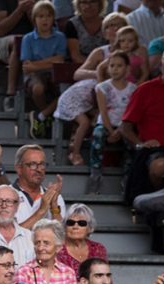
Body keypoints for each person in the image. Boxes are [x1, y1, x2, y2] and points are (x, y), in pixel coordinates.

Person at [54, 11, 127, 167]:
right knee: (85, 122)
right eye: (110, 26)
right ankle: (74, 152)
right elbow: (77, 73)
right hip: (82, 94)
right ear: (104, 31)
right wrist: (98, 73)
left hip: (105, 99)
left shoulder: (127, 56)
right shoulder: (101, 52)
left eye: (118, 26)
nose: (114, 30)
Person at [120, 44, 164, 205]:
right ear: (161, 64)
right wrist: (140, 144)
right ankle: (161, 204)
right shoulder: (145, 90)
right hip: (157, 150)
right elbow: (125, 128)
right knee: (159, 166)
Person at [85, 52, 136, 191]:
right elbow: (103, 111)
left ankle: (127, 177)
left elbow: (130, 113)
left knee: (131, 142)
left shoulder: (133, 89)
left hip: (124, 125)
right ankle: (95, 172)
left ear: (127, 68)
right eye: (112, 65)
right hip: (106, 124)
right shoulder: (102, 87)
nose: (115, 69)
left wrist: (120, 129)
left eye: (119, 66)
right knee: (98, 134)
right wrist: (111, 131)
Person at [14, 218, 77, 284]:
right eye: (37, 243)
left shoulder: (68, 273)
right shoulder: (24, 272)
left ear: (58, 247)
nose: (40, 248)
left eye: (46, 243)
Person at [22, 0, 67, 139]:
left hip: (55, 73)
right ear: (34, 19)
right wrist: (49, 62)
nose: (45, 20)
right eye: (40, 16)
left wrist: (36, 63)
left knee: (66, 91)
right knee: (38, 88)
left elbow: (60, 60)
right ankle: (46, 116)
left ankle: (40, 116)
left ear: (53, 18)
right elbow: (27, 67)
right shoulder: (28, 39)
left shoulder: (60, 37)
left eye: (48, 16)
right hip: (35, 74)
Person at [0, 0, 35, 111]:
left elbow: (45, 29)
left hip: (32, 39)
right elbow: (1, 29)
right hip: (1, 40)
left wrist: (32, 13)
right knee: (19, 41)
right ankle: (10, 94)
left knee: (28, 41)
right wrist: (19, 10)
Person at [12, 144, 65, 229]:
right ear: (19, 169)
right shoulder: (4, 195)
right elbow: (9, 235)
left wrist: (54, 206)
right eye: (33, 164)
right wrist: (41, 211)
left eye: (42, 164)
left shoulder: (55, 197)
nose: (39, 169)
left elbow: (60, 235)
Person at [57, 203, 108, 277]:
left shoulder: (98, 248)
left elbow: (104, 276)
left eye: (81, 223)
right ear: (65, 227)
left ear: (90, 228)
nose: (75, 226)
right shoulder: (57, 249)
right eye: (70, 223)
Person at [64, 0, 105, 65]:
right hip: (79, 67)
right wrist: (91, 66)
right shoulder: (72, 24)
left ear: (100, 4)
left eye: (92, 2)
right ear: (78, 5)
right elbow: (75, 56)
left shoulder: (107, 23)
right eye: (84, 2)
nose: (88, 6)